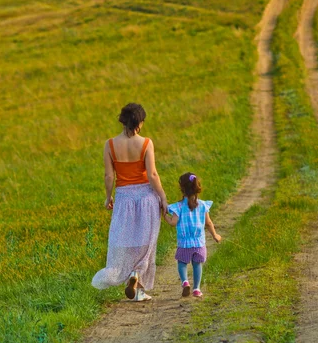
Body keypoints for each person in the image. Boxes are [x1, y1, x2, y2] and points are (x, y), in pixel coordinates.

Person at [92, 103, 168, 301]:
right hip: (146, 197)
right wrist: (162, 196)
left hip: (124, 197)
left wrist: (109, 197)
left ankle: (132, 281)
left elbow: (109, 176)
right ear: (139, 123)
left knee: (125, 240)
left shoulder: (110, 145)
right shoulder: (146, 143)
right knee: (147, 241)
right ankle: (137, 276)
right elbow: (152, 174)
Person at [164, 172, 221, 298]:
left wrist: (165, 217)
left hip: (184, 243)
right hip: (199, 243)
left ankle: (185, 281)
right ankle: (196, 289)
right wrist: (215, 235)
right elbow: (208, 222)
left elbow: (173, 223)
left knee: (182, 263)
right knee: (197, 265)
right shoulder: (202, 205)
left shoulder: (178, 206)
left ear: (182, 189)